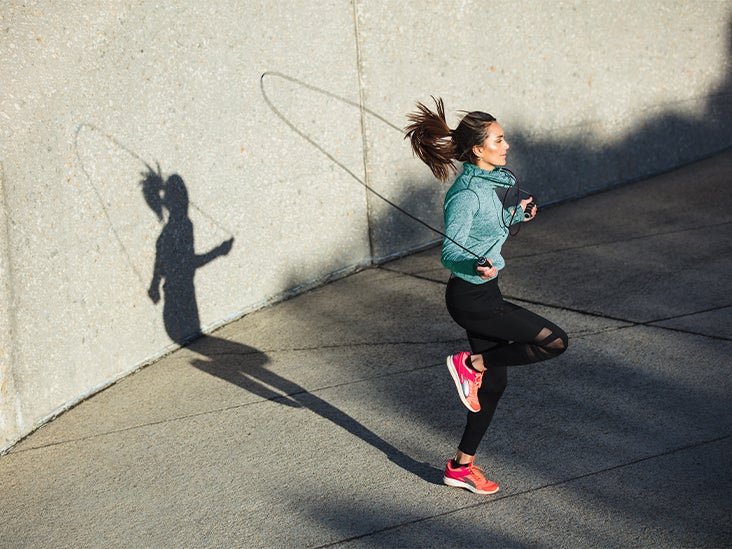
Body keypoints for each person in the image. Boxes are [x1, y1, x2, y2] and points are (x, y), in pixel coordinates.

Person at [405, 97, 568, 495]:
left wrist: (519, 214)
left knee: (494, 388)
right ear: (478, 150)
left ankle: (460, 467)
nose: (506, 145)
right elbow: (451, 251)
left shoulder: (499, 181)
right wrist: (474, 264)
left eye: (504, 137)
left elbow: (495, 221)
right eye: (498, 140)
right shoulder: (465, 195)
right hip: (471, 299)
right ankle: (470, 363)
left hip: (485, 292)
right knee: (554, 341)